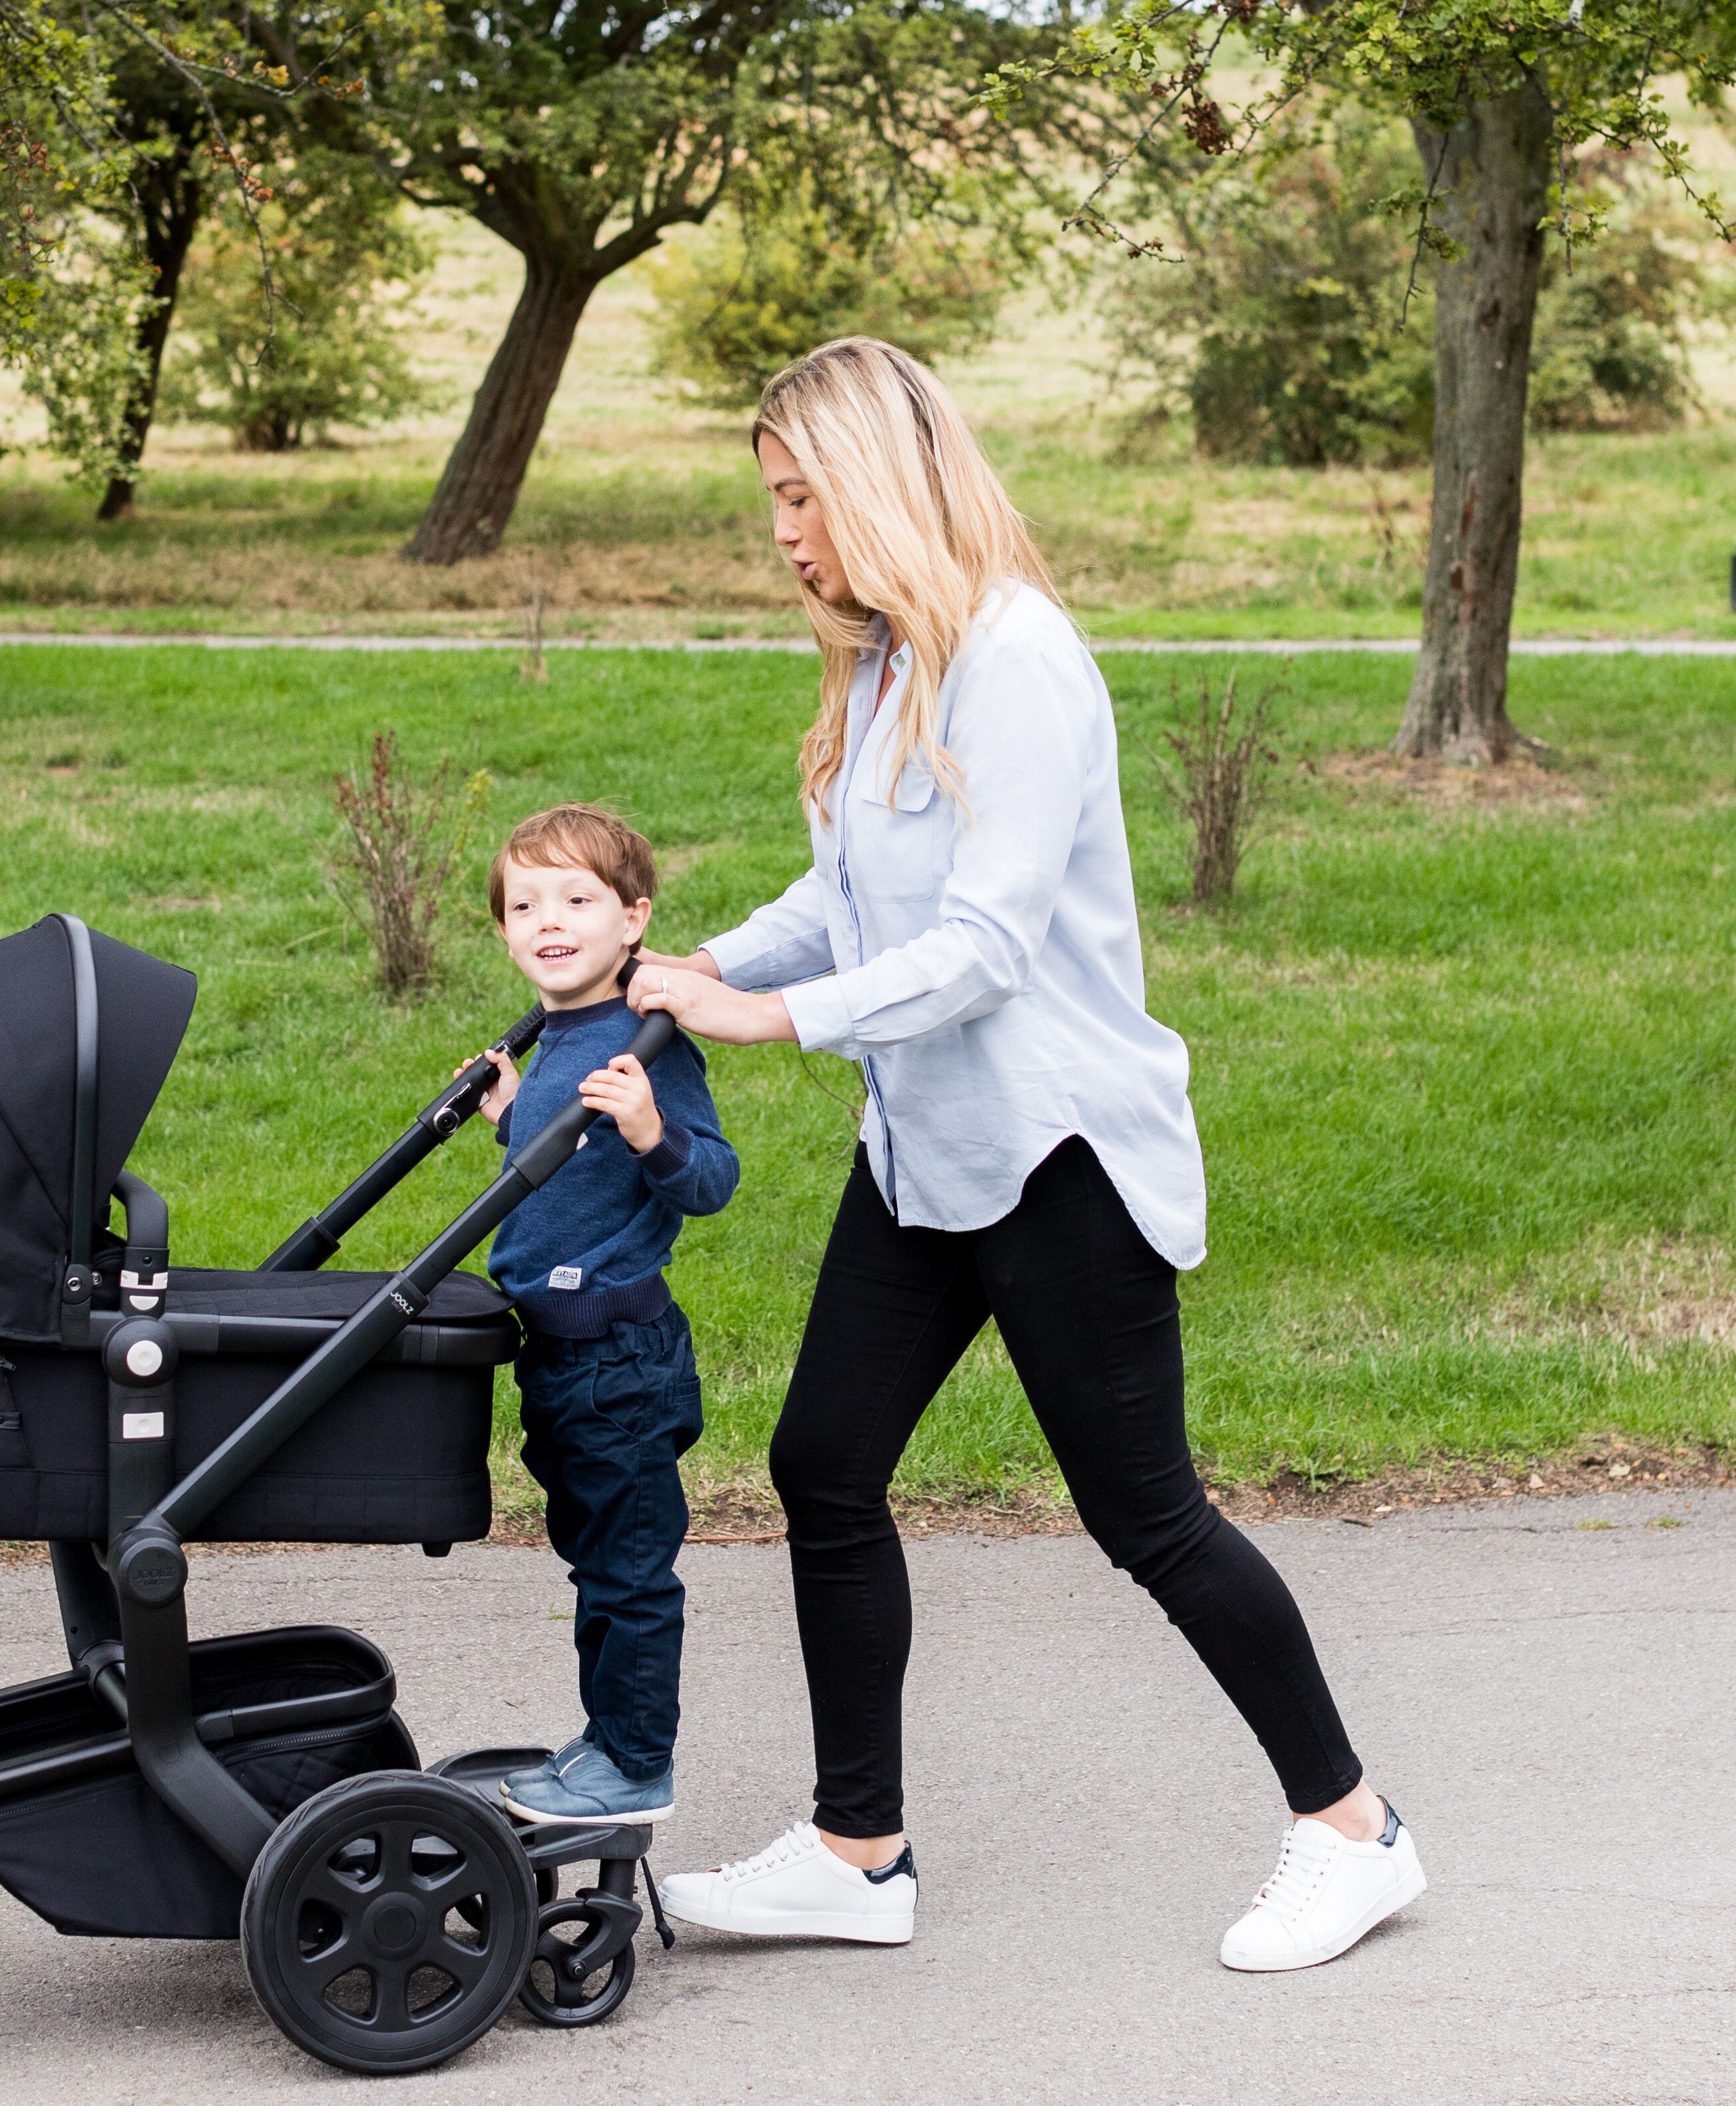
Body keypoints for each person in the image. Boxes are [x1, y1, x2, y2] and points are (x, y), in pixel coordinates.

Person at [626, 339, 1426, 1971]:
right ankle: (859, 1855)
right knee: (824, 1466)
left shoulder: (1021, 660)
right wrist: (693, 970)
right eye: (770, 503)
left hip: (1062, 1150)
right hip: (927, 1142)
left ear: (877, 482)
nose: (783, 533)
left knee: (1148, 1516)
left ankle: (1355, 1833)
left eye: (801, 498)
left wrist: (774, 1027)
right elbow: (849, 902)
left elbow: (986, 947)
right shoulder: (877, 661)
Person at [472, 806, 740, 1827]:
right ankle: (606, 1742)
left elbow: (711, 1181)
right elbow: (563, 1178)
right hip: (561, 1357)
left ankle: (635, 1763)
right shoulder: (552, 1035)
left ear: (634, 921)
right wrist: (509, 1117)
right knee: (595, 1565)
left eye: (578, 900)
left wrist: (650, 1130)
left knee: (628, 1575)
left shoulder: (647, 1047)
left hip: (619, 1359)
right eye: (526, 903)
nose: (550, 920)